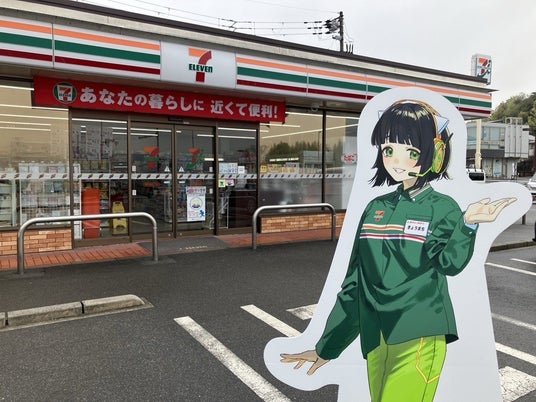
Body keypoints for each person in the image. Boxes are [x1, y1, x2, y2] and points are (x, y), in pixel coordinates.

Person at [280, 100, 516, 402]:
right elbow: (355, 284)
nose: (397, 160)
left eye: (411, 152)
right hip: (376, 336)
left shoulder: (441, 208)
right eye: (389, 149)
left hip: (419, 333)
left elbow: (450, 263)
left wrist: (467, 224)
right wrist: (327, 348)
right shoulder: (374, 208)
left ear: (435, 154)